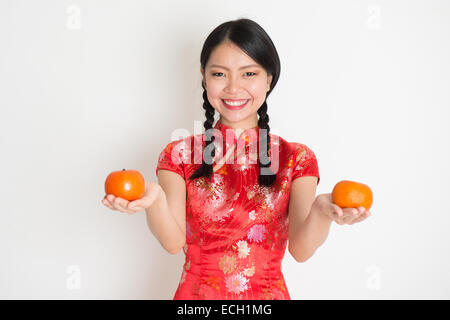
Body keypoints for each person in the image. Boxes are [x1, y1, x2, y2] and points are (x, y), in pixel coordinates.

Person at [102, 18, 371, 300]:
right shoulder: (178, 155)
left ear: (269, 79)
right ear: (204, 77)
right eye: (219, 74)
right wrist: (155, 199)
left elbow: (301, 251)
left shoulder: (297, 159)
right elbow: (173, 243)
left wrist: (321, 211)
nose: (233, 87)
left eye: (248, 74)